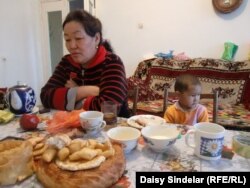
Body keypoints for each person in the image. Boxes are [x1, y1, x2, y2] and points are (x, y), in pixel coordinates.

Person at [40, 10, 130, 118]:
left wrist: (71, 98)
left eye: (78, 38)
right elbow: (46, 97)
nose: (72, 46)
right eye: (67, 39)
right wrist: (84, 91)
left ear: (96, 39)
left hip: (113, 131)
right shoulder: (66, 63)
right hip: (73, 129)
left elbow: (108, 110)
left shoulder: (112, 63)